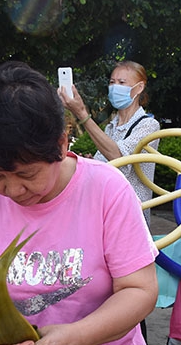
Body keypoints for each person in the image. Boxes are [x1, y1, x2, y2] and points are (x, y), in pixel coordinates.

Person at [0, 61, 159, 345]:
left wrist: (76, 337)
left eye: (27, 175)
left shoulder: (107, 189)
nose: (13, 191)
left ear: (61, 144)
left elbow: (140, 290)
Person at [59, 60, 160, 224]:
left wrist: (82, 114)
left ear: (139, 87)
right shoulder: (112, 127)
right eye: (112, 82)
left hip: (130, 216)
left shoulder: (148, 125)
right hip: (105, 210)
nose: (115, 87)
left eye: (122, 82)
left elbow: (118, 156)